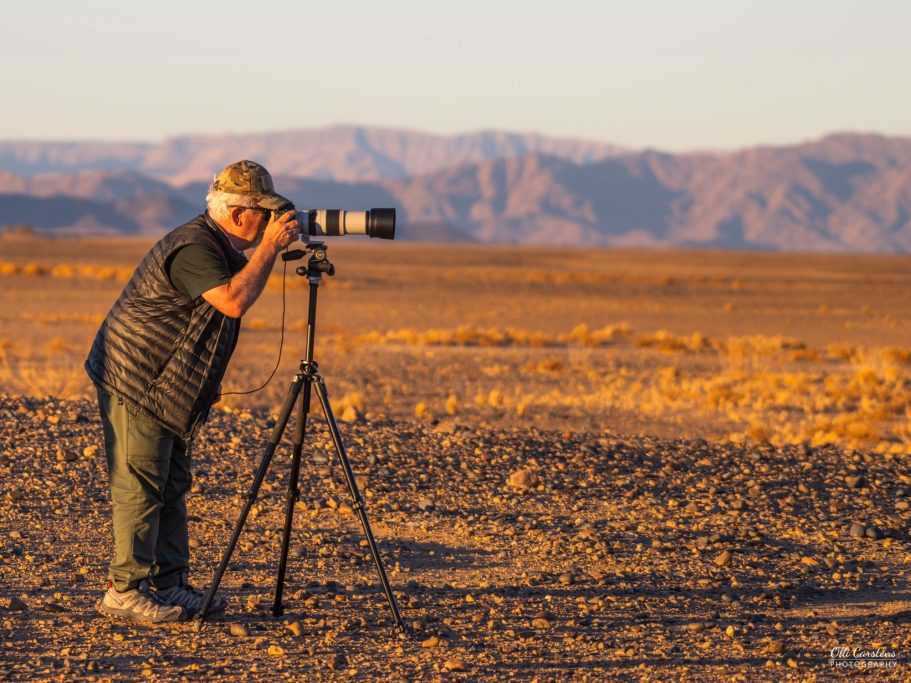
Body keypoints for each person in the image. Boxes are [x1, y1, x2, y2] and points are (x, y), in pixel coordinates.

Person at [84, 160, 300, 623]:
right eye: (264, 214)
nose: (269, 222)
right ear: (239, 213)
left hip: (170, 385)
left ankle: (170, 584)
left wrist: (206, 380)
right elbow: (233, 301)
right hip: (137, 379)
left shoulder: (218, 246)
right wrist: (269, 248)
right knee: (141, 484)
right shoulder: (194, 248)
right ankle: (124, 590)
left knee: (172, 484)